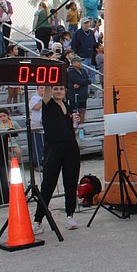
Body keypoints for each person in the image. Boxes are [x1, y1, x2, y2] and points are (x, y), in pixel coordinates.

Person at [32, 85, 81, 233]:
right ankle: (38, 219)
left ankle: (70, 215)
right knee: (48, 184)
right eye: (55, 89)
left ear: (65, 91)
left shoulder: (68, 106)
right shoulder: (48, 104)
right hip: (54, 148)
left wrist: (75, 122)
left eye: (61, 89)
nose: (58, 91)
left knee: (71, 182)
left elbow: (73, 128)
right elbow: (47, 89)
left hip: (71, 146)